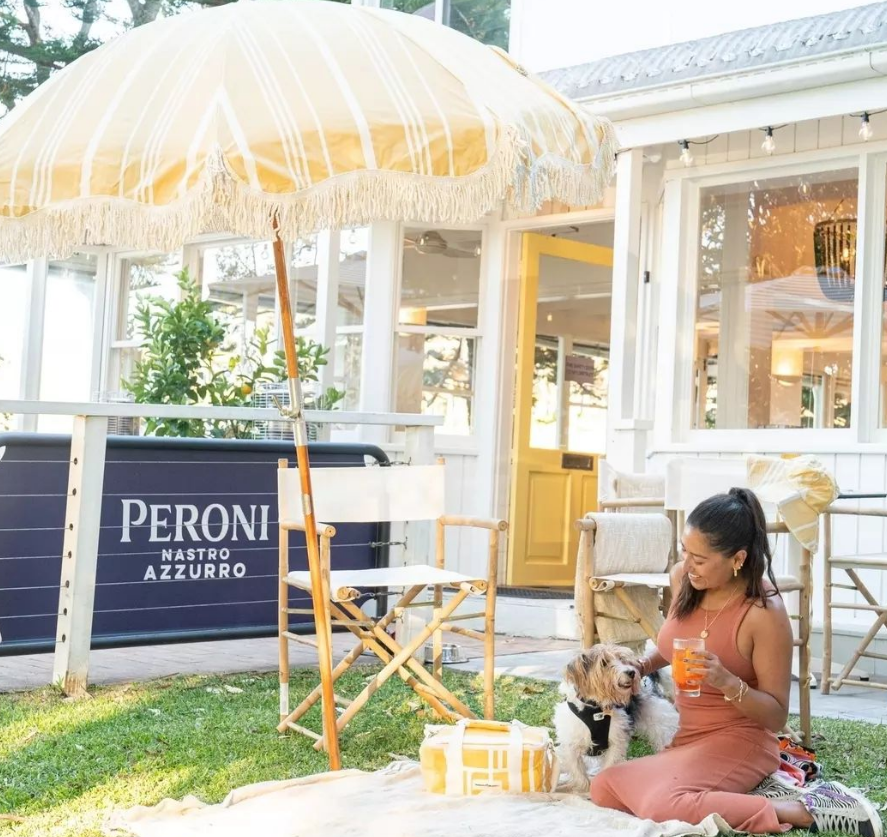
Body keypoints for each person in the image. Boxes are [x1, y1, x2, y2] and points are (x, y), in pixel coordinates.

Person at [589, 488, 882, 837]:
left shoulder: (764, 613)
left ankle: (802, 810)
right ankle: (728, 795)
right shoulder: (685, 578)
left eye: (700, 558)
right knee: (605, 785)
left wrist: (727, 681)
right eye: (686, 551)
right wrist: (643, 665)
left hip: (742, 741)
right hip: (690, 737)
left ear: (737, 558)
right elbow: (674, 645)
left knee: (661, 803)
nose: (688, 565)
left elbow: (775, 716)